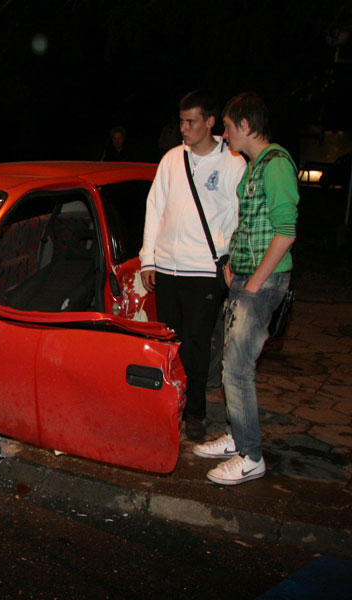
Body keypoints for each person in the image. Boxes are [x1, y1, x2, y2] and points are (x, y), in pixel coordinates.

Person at [193, 92, 298, 485]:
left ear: (246, 125)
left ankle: (251, 455)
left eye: (228, 126)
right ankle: (237, 436)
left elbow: (286, 232)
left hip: (264, 282)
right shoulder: (255, 167)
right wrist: (234, 265)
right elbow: (252, 223)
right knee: (231, 365)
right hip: (246, 278)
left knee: (238, 368)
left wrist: (253, 283)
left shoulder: (277, 164)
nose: (224, 134)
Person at [140, 90, 247, 441]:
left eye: (191, 121)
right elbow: (155, 207)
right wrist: (149, 258)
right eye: (181, 121)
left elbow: (237, 217)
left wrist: (227, 257)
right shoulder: (172, 159)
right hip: (167, 269)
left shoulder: (233, 163)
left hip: (203, 271)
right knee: (168, 343)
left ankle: (196, 413)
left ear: (210, 122)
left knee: (196, 345)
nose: (183, 128)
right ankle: (169, 406)